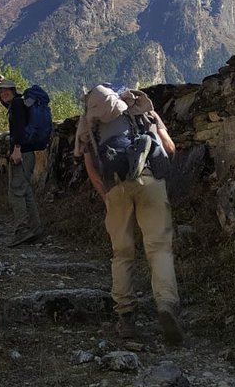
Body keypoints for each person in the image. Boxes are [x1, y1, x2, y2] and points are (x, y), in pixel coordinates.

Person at [74, 83, 183, 346]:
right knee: (159, 248)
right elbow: (169, 148)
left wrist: (106, 195)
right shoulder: (143, 110)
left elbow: (90, 166)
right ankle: (166, 304)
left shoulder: (90, 123)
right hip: (151, 182)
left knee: (122, 254)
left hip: (115, 187)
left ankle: (126, 317)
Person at [0, 75, 42, 247]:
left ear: (13, 90)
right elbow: (6, 103)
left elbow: (18, 128)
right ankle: (35, 229)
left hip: (21, 153)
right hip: (28, 153)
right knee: (26, 191)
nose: (3, 94)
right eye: (1, 92)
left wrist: (17, 148)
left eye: (6, 91)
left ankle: (22, 230)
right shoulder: (18, 103)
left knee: (16, 192)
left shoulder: (17, 105)